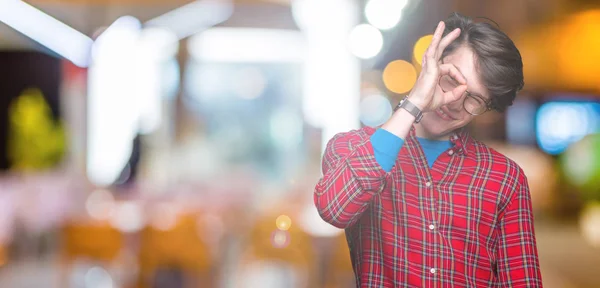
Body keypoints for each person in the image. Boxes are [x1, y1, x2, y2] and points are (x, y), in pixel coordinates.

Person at [314, 12, 543, 287]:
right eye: (451, 79)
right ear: (431, 66)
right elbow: (334, 209)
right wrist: (415, 103)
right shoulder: (351, 147)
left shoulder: (505, 177)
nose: (455, 102)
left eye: (474, 99)